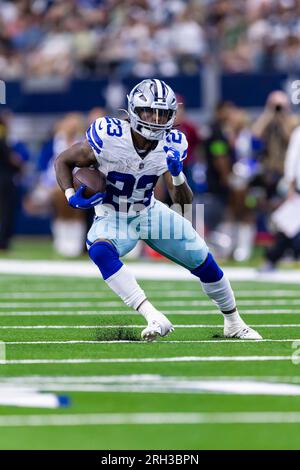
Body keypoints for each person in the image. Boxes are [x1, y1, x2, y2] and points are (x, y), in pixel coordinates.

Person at [55, 78, 261, 341]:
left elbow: (184, 202)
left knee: (204, 261)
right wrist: (70, 195)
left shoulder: (172, 142)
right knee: (99, 249)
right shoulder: (109, 135)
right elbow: (64, 159)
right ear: (133, 110)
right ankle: (152, 315)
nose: (155, 118)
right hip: (114, 214)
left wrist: (177, 175)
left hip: (149, 211)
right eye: (149, 110)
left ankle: (234, 322)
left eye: (162, 113)